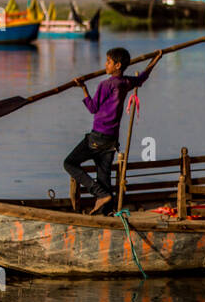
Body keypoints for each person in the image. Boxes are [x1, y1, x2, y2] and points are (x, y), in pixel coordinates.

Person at [64, 46, 162, 214]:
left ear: (117, 65)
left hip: (97, 137)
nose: (105, 65)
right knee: (104, 177)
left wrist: (83, 88)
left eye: (108, 62)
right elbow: (143, 78)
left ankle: (99, 194)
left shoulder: (106, 84)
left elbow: (93, 108)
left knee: (70, 163)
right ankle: (107, 212)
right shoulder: (125, 83)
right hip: (111, 140)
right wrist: (156, 60)